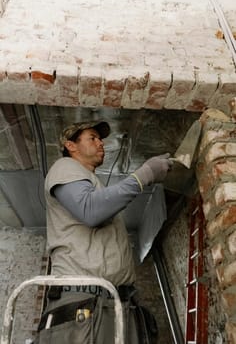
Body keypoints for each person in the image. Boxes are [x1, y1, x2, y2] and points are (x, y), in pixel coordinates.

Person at [35, 120, 173, 344]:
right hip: (85, 304)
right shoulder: (65, 167)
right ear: (71, 146)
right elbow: (90, 211)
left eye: (100, 139)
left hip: (107, 302)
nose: (101, 143)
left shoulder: (91, 182)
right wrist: (143, 175)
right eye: (92, 137)